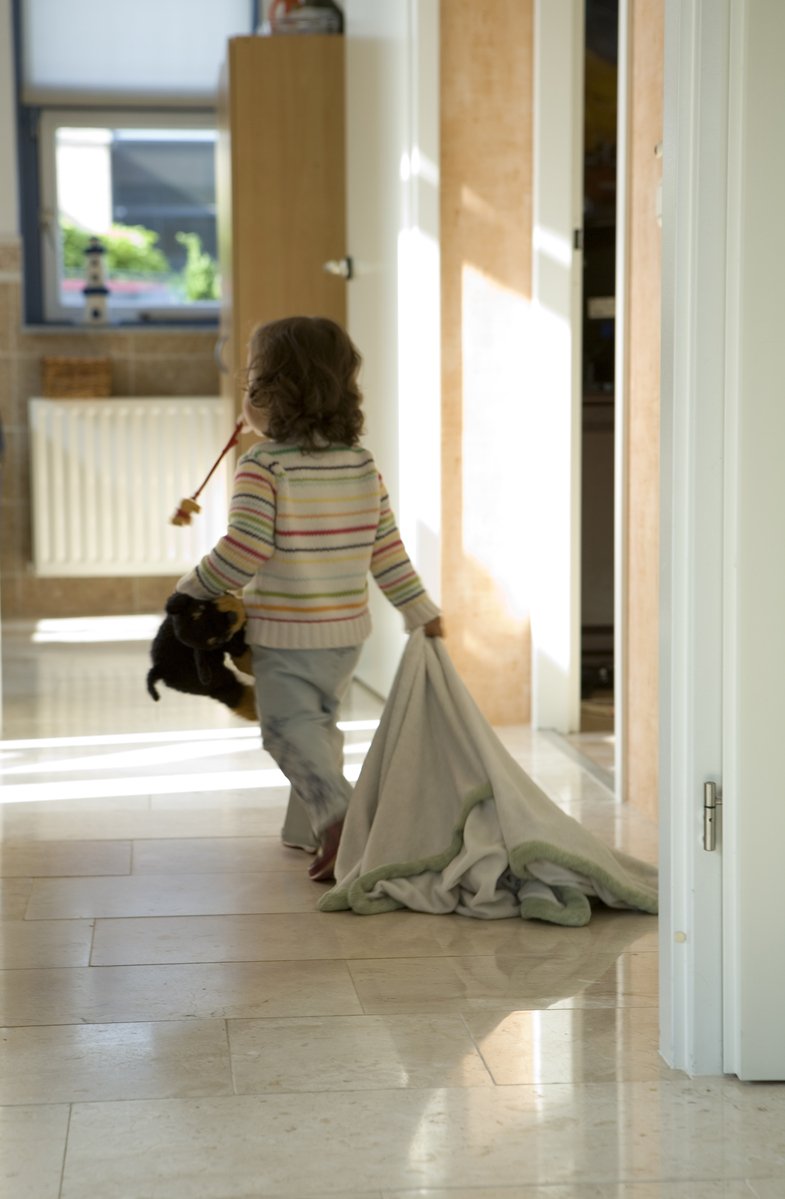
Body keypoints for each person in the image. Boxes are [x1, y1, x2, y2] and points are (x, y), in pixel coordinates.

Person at [176, 315, 442, 881]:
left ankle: (340, 816)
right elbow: (387, 551)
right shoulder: (360, 464)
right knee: (318, 725)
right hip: (346, 636)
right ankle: (307, 830)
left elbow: (244, 549)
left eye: (251, 382)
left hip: (287, 635)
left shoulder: (264, 466)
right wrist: (421, 611)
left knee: (285, 729)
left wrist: (192, 587)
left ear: (269, 395)